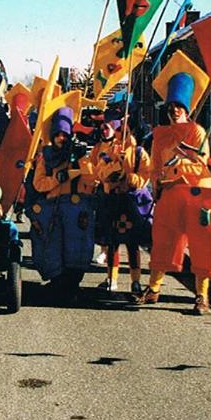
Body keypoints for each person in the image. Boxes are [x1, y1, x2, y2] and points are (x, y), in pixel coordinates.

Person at [134, 71, 211, 315]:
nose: (175, 111)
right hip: (170, 193)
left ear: (186, 109)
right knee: (163, 240)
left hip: (197, 193)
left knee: (202, 245)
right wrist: (157, 183)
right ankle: (153, 288)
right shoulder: (160, 134)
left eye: (179, 107)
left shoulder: (197, 132)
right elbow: (155, 166)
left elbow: (202, 162)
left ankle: (202, 296)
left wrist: (182, 160)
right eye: (171, 107)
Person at [27, 106, 97, 298]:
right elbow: (39, 184)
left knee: (77, 246)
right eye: (57, 134)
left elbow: (92, 180)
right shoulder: (46, 156)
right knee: (52, 246)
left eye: (64, 135)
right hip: (53, 209)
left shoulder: (79, 154)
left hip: (76, 207)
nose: (61, 138)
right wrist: (58, 178)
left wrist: (82, 160)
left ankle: (73, 284)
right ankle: (57, 283)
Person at [89, 106, 151, 296]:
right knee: (112, 242)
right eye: (118, 131)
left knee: (133, 243)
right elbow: (101, 172)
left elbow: (144, 177)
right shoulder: (110, 151)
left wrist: (130, 177)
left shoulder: (139, 152)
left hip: (131, 202)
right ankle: (112, 279)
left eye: (125, 131)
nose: (121, 134)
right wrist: (116, 166)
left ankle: (135, 281)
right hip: (112, 200)